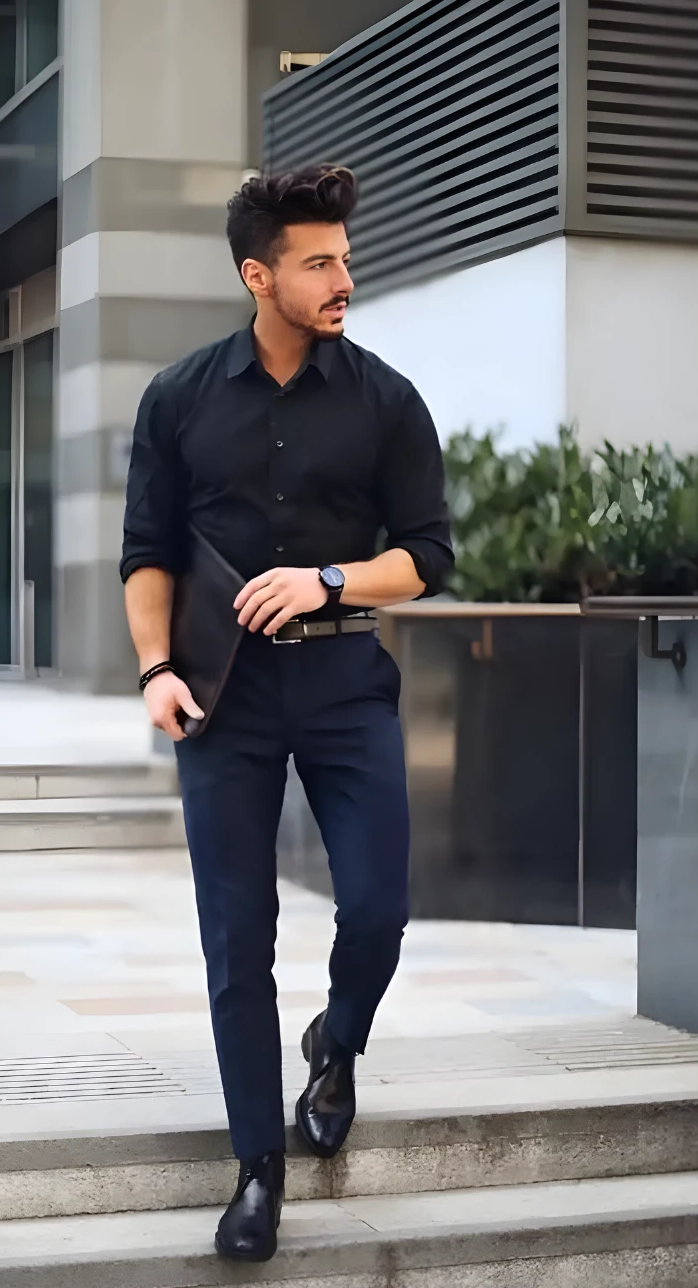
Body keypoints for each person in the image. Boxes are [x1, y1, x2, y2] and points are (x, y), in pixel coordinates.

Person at [121, 164, 453, 1262]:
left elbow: (430, 559)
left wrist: (330, 579)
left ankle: (338, 1039)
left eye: (345, 257)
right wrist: (156, 668)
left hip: (346, 680)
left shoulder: (388, 400)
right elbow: (148, 555)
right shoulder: (176, 399)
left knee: (377, 909)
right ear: (259, 275)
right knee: (235, 937)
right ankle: (258, 1165)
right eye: (320, 261)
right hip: (224, 699)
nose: (343, 276)